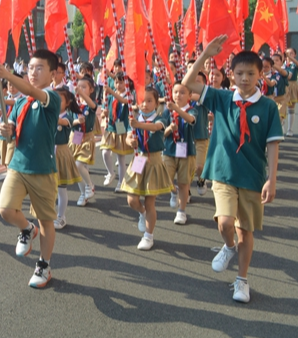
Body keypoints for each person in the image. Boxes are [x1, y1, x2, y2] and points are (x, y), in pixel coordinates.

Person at [182, 36, 282, 303]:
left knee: (245, 231)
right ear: (232, 74)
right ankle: (228, 247)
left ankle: (242, 280)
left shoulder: (269, 107)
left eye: (251, 73)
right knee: (225, 223)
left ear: (261, 74)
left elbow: (273, 145)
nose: (245, 78)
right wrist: (204, 55)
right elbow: (188, 84)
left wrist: (271, 179)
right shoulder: (222, 98)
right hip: (224, 172)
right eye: (240, 73)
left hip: (252, 176)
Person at [0, 50, 60, 288]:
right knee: (5, 209)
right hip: (18, 165)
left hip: (43, 169)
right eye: (30, 68)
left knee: (46, 221)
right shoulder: (21, 102)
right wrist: (6, 130)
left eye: (40, 68)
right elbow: (12, 126)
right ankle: (26, 228)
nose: (33, 72)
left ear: (52, 74)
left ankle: (44, 265)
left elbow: (32, 91)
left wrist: (6, 75)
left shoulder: (52, 98)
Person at [121, 87, 173, 251]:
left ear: (157, 103)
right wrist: (131, 142)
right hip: (138, 160)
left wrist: (139, 125)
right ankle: (142, 213)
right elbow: (129, 137)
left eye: (149, 100)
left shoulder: (161, 118)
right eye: (142, 100)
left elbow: (156, 128)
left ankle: (148, 236)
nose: (145, 104)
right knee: (132, 200)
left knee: (150, 201)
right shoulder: (134, 118)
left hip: (154, 161)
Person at [162, 83, 198, 225]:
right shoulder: (167, 112)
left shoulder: (191, 110)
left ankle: (181, 211)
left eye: (182, 92)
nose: (178, 95)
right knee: (165, 178)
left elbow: (191, 119)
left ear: (189, 96)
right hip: (169, 150)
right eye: (175, 92)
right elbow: (162, 134)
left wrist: (176, 109)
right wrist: (170, 128)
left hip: (187, 152)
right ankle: (172, 191)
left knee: (184, 183)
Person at [52, 87, 82, 230]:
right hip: (48, 153)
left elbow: (62, 123)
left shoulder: (68, 117)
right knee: (49, 187)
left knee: (61, 188)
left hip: (61, 153)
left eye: (59, 100)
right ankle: (50, 214)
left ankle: (61, 217)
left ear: (67, 103)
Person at [101, 74, 132, 190]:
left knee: (121, 158)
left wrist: (111, 92)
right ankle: (110, 172)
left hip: (122, 128)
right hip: (111, 127)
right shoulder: (110, 96)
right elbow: (107, 109)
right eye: (116, 82)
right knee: (105, 152)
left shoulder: (129, 95)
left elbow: (124, 101)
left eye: (121, 82)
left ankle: (121, 182)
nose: (118, 85)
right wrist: (104, 113)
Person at [70, 77, 98, 206]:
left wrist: (81, 94)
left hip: (87, 138)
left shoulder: (90, 104)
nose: (80, 89)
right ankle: (83, 193)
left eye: (84, 87)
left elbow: (93, 106)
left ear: (91, 89)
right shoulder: (73, 104)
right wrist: (76, 122)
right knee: (78, 170)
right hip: (75, 137)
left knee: (79, 165)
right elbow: (70, 120)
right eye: (79, 87)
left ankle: (90, 185)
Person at [284, 48, 298, 136]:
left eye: (291, 53)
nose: (289, 55)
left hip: (292, 85)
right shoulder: (282, 65)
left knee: (291, 108)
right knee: (281, 107)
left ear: (295, 55)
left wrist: (290, 58)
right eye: (287, 53)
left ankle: (290, 129)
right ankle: (281, 127)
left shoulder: (294, 64)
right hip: (283, 86)